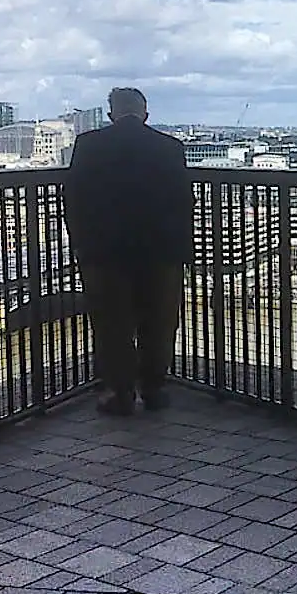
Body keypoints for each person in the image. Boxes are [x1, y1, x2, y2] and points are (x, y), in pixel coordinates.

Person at [64, 87, 194, 415]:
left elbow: (73, 199)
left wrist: (81, 243)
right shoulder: (170, 148)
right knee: (159, 322)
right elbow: (183, 203)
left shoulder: (89, 145)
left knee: (112, 325)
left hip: (105, 252)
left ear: (111, 114)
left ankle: (120, 393)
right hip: (160, 251)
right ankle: (154, 388)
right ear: (145, 114)